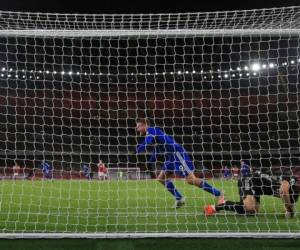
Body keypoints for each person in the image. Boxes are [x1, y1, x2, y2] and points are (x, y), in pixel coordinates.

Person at [134, 118, 224, 208]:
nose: (137, 129)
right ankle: (179, 198)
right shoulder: (153, 133)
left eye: (138, 126)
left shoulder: (151, 130)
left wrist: (137, 151)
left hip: (178, 155)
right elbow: (156, 149)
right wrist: (150, 161)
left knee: (191, 180)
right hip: (170, 157)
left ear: (144, 125)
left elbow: (147, 142)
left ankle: (219, 193)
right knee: (161, 178)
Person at [204, 166, 300, 218]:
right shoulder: (293, 180)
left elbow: (287, 200)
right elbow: (283, 191)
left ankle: (226, 202)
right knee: (249, 208)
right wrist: (290, 211)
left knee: (252, 212)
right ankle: (216, 207)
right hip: (249, 180)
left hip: (257, 188)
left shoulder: (295, 196)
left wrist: (288, 209)